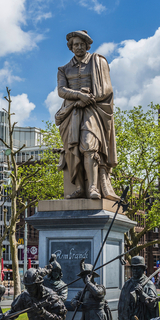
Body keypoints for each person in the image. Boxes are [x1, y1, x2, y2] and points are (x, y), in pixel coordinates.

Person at [56, 30, 118, 200]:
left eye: (82, 44)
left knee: (89, 145)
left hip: (93, 110)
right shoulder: (64, 69)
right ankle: (79, 188)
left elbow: (107, 89)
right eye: (75, 44)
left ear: (87, 45)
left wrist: (88, 99)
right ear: (71, 47)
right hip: (72, 112)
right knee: (73, 150)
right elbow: (61, 91)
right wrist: (79, 96)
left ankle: (93, 188)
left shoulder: (98, 61)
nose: (79, 47)